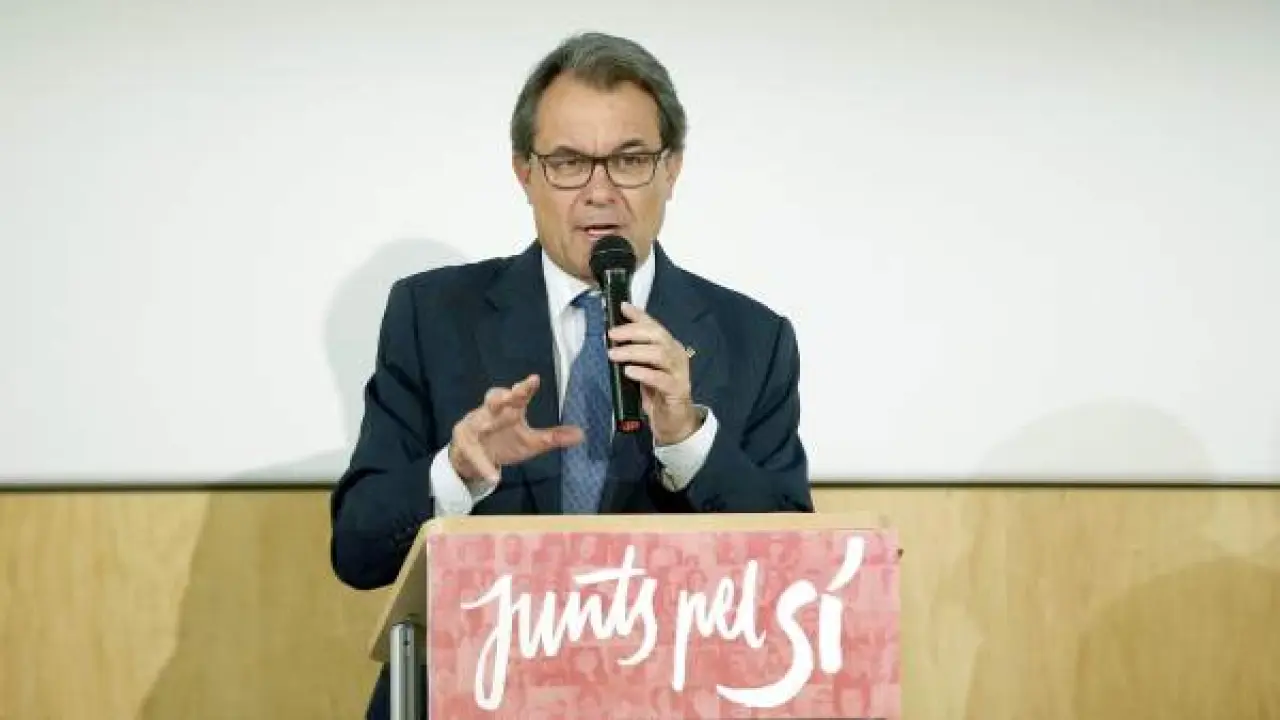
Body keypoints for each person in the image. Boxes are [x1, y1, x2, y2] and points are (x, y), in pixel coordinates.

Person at [328, 30, 814, 720]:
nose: (600, 192)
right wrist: (456, 473)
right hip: (473, 697)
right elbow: (358, 551)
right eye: (567, 163)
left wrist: (688, 441)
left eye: (630, 160)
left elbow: (798, 574)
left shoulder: (753, 338)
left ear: (672, 169)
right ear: (524, 173)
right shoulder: (431, 316)